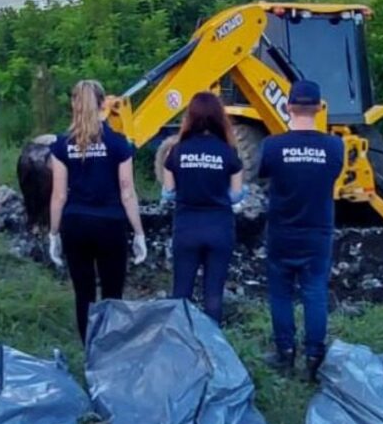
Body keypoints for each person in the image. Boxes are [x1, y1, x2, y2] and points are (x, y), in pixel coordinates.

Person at [258, 79, 344, 382]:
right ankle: (313, 356)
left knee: (281, 294)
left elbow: (262, 174)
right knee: (315, 292)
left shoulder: (272, 146)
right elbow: (333, 174)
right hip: (318, 232)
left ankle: (284, 353)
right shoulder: (335, 147)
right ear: (320, 108)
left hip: (282, 231)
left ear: (287, 106)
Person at [48, 80, 147, 340]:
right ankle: (110, 351)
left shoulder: (61, 145)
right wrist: (139, 233)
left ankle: (89, 351)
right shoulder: (118, 144)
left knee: (84, 294)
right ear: (104, 104)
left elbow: (58, 195)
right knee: (113, 293)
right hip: (110, 225)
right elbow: (127, 191)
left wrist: (53, 233)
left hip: (75, 224)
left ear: (73, 105)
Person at [161, 92, 244, 324]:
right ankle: (212, 348)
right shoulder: (229, 152)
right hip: (219, 228)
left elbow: (168, 194)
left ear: (190, 117)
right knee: (214, 294)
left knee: (181, 292)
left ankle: (180, 345)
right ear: (220, 117)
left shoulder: (176, 151)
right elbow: (237, 195)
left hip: (186, 228)